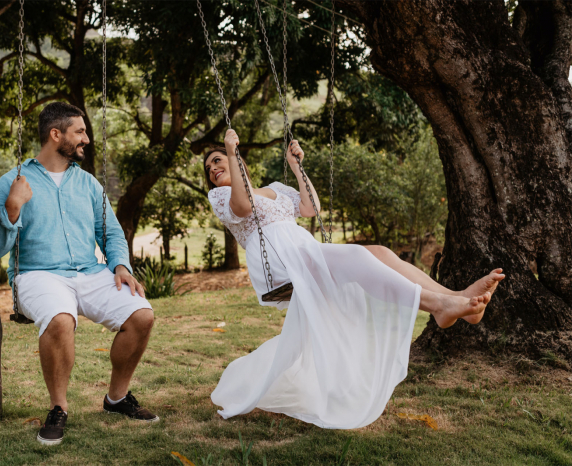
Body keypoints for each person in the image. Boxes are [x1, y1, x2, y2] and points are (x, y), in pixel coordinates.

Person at [203, 129, 505, 429]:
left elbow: (311, 209)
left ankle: (458, 295)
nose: (214, 168)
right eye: (210, 168)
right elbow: (242, 207)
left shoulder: (274, 188)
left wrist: (297, 168)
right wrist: (230, 151)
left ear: (240, 162)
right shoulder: (220, 195)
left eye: (218, 160)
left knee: (381, 253)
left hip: (303, 250)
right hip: (280, 262)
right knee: (360, 258)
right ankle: (438, 306)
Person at [0, 102, 159, 446]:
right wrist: (12, 208)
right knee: (59, 320)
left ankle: (116, 398)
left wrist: (120, 265)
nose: (86, 139)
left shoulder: (88, 184)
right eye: (80, 132)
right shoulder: (12, 181)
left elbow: (111, 232)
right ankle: (58, 407)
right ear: (56, 135)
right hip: (38, 274)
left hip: (90, 271)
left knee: (142, 315)